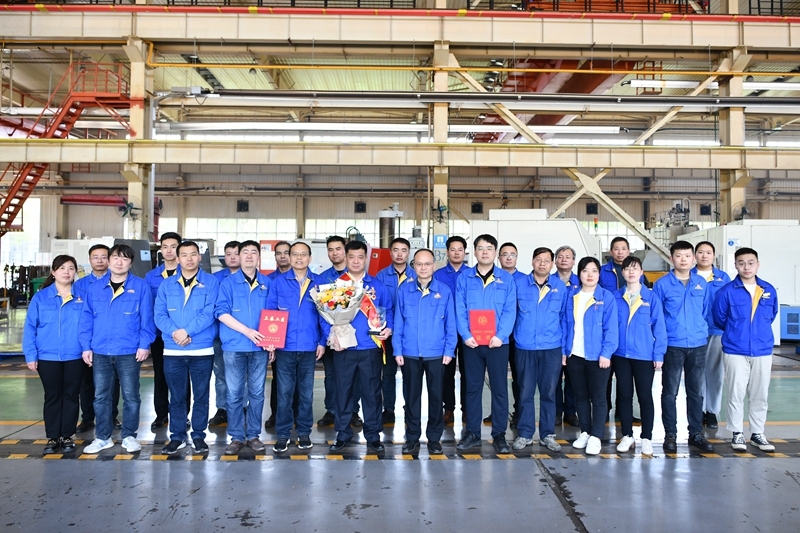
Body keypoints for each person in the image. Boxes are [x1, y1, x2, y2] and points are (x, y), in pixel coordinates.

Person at [79, 244, 156, 454]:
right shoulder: (95, 288)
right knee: (101, 396)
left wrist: (144, 344)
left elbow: (147, 319)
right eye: (115, 258)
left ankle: (129, 436)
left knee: (131, 395)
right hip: (101, 350)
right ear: (109, 260)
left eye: (124, 258)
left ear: (130, 263)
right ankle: (102, 437)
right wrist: (86, 346)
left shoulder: (141, 287)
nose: (119, 262)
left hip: (129, 350)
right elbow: (86, 319)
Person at [155, 241, 219, 455]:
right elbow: (159, 315)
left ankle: (199, 435)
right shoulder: (167, 284)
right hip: (173, 350)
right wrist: (176, 333)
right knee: (177, 396)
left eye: (193, 254)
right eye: (184, 255)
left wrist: (187, 331)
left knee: (201, 395)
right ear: (177, 258)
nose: (189, 259)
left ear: (199, 257)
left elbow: (210, 313)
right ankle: (177, 436)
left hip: (201, 349)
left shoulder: (211, 282)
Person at [328, 240, 393, 453]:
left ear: (366, 259)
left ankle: (373, 435)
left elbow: (388, 310)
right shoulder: (337, 285)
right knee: (343, 392)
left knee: (372, 393)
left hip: (370, 346)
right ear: (346, 258)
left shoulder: (377, 285)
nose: (356, 261)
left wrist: (389, 328)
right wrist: (332, 336)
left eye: (360, 257)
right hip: (344, 348)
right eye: (352, 257)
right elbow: (324, 315)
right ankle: (343, 433)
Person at [712, 247, 778, 452]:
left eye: (750, 263)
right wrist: (737, 332)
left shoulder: (768, 290)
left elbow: (772, 314)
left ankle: (758, 433)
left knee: (760, 394)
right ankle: (737, 433)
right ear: (735, 265)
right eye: (741, 263)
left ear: (758, 265)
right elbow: (719, 318)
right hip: (735, 349)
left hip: (762, 349)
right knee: (735, 392)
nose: (746, 267)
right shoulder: (727, 292)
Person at [454, 234, 516, 454]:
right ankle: (472, 432)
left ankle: (499, 434)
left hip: (497, 343)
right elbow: (460, 308)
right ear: (475, 252)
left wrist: (501, 335)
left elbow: (510, 310)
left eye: (489, 248)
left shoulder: (506, 279)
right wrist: (465, 334)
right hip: (471, 343)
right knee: (472, 389)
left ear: (495, 252)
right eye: (480, 248)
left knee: (499, 389)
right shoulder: (464, 278)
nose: (485, 252)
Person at [265, 241, 329, 453]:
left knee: (306, 394)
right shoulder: (278, 283)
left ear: (310, 258)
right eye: (295, 254)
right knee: (284, 394)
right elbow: (271, 312)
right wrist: (271, 343)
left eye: (303, 254)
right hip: (285, 348)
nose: (299, 258)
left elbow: (325, 316)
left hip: (310, 347)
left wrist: (322, 342)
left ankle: (303, 433)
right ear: (290, 258)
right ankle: (283, 435)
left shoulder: (319, 283)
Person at [653, 240, 714, 453]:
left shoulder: (702, 283)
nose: (683, 260)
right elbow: (657, 317)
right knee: (669, 392)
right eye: (679, 256)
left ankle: (696, 434)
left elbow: (705, 311)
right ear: (672, 258)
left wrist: (699, 332)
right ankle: (670, 434)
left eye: (687, 256)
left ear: (693, 258)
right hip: (673, 344)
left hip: (698, 344)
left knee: (696, 392)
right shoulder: (662, 285)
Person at [393, 249, 456, 455]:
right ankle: (412, 438)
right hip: (410, 352)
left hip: (436, 353)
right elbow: (398, 322)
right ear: (414, 266)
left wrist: (449, 350)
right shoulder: (404, 290)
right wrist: (397, 349)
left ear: (434, 266)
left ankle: (434, 439)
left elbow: (451, 324)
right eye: (419, 264)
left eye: (427, 264)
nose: (423, 268)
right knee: (411, 398)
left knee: (436, 397)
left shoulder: (444, 291)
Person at [23, 255, 85, 455]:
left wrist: (87, 349)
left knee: (71, 395)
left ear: (75, 272)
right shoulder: (41, 298)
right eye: (62, 268)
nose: (66, 272)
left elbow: (88, 326)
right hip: (47, 356)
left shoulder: (82, 297)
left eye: (71, 268)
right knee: (52, 396)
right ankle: (52, 436)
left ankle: (67, 436)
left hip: (75, 356)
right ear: (53, 272)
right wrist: (31, 355)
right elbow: (30, 328)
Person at [215, 240, 272, 455]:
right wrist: (246, 331)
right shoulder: (227, 283)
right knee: (234, 393)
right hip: (234, 346)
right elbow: (221, 312)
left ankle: (254, 435)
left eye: (253, 252)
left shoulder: (267, 283)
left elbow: (274, 316)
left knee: (257, 393)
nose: (249, 255)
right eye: (244, 252)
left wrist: (272, 343)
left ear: (259, 257)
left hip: (260, 348)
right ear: (238, 257)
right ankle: (237, 437)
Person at [512, 247, 567, 453]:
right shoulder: (519, 285)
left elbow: (565, 319)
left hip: (551, 347)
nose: (542, 264)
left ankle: (547, 434)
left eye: (546, 260)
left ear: (552, 264)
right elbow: (511, 315)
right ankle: (525, 433)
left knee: (549, 393)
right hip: (525, 347)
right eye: (538, 260)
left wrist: (564, 349)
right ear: (532, 262)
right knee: (525, 392)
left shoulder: (560, 287)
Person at [564, 256, 618, 456]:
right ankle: (585, 432)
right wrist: (564, 351)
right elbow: (565, 325)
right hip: (575, 355)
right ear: (579, 274)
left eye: (594, 271)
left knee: (599, 398)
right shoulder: (572, 296)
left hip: (598, 357)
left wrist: (606, 353)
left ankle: (596, 436)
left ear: (599, 274)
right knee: (580, 397)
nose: (590, 275)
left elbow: (612, 329)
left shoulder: (606, 297)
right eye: (585, 270)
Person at [612, 256, 666, 455]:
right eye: (627, 269)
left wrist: (658, 354)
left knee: (645, 396)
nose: (631, 272)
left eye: (635, 268)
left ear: (641, 272)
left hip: (644, 355)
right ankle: (627, 435)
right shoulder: (615, 297)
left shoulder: (651, 298)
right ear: (622, 272)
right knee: (624, 395)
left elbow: (660, 328)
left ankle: (646, 437)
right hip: (621, 354)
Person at [73, 244, 121, 433]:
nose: (100, 261)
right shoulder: (80, 285)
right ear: (89, 260)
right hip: (88, 341)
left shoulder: (117, 281)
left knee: (112, 382)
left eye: (103, 257)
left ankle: (111, 416)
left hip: (110, 341)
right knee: (86, 382)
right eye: (95, 257)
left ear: (109, 260)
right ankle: (87, 418)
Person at [316, 235, 363, 429]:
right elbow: (319, 311)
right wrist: (330, 334)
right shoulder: (322, 278)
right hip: (330, 338)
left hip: (352, 337)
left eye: (338, 249)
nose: (334, 253)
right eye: (330, 249)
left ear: (345, 251)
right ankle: (331, 410)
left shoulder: (356, 276)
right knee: (331, 376)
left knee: (354, 376)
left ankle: (352, 410)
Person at [144, 232, 182, 430]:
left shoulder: (188, 273)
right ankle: (161, 414)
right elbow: (148, 308)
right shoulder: (151, 276)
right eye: (165, 246)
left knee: (182, 378)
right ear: (160, 250)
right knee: (160, 375)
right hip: (160, 336)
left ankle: (182, 415)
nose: (169, 251)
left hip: (183, 336)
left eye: (173, 246)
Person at [691, 241, 730, 430]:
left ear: (714, 255)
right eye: (700, 252)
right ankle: (698, 409)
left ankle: (712, 411)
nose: (704, 256)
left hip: (717, 330)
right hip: (694, 331)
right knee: (696, 371)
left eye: (708, 252)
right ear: (695, 255)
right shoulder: (688, 276)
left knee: (715, 372)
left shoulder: (723, 278)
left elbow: (728, 303)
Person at [375, 237, 414, 426]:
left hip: (409, 334)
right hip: (388, 333)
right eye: (396, 250)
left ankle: (410, 408)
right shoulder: (381, 276)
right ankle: (388, 409)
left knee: (410, 374)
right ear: (390, 252)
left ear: (409, 253)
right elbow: (378, 305)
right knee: (388, 373)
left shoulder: (417, 274)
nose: (399, 254)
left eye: (403, 250)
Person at [433, 235, 468, 426]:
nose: (456, 253)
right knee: (446, 372)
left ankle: (467, 409)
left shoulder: (471, 274)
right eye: (453, 249)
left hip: (468, 331)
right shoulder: (437, 275)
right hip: (445, 330)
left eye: (460, 249)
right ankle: (448, 409)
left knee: (468, 372)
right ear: (447, 252)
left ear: (465, 252)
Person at [209, 240, 240, 427]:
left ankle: (242, 408)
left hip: (244, 337)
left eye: (236, 253)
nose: (232, 257)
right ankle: (222, 409)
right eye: (228, 254)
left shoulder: (254, 277)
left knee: (242, 376)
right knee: (220, 374)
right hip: (220, 335)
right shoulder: (215, 279)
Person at [495, 242, 525, 429]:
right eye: (504, 254)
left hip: (517, 338)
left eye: (512, 254)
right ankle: (497, 412)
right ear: (499, 257)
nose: (508, 257)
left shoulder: (524, 280)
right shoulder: (494, 277)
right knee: (497, 378)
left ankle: (518, 412)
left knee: (519, 378)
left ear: (516, 258)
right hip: (496, 336)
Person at [265, 240, 292, 429]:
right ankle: (276, 414)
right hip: (277, 339)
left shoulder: (303, 279)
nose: (282, 256)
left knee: (299, 382)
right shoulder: (269, 281)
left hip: (297, 338)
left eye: (286, 252)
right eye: (279, 253)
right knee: (278, 380)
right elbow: (268, 311)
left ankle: (295, 414)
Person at [552, 245, 579, 427]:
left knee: (573, 378)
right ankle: (556, 412)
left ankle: (571, 412)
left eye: (567, 257)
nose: (563, 260)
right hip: (554, 336)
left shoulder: (581, 282)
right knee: (554, 379)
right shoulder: (549, 281)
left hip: (574, 337)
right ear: (555, 261)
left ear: (573, 261)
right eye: (560, 257)